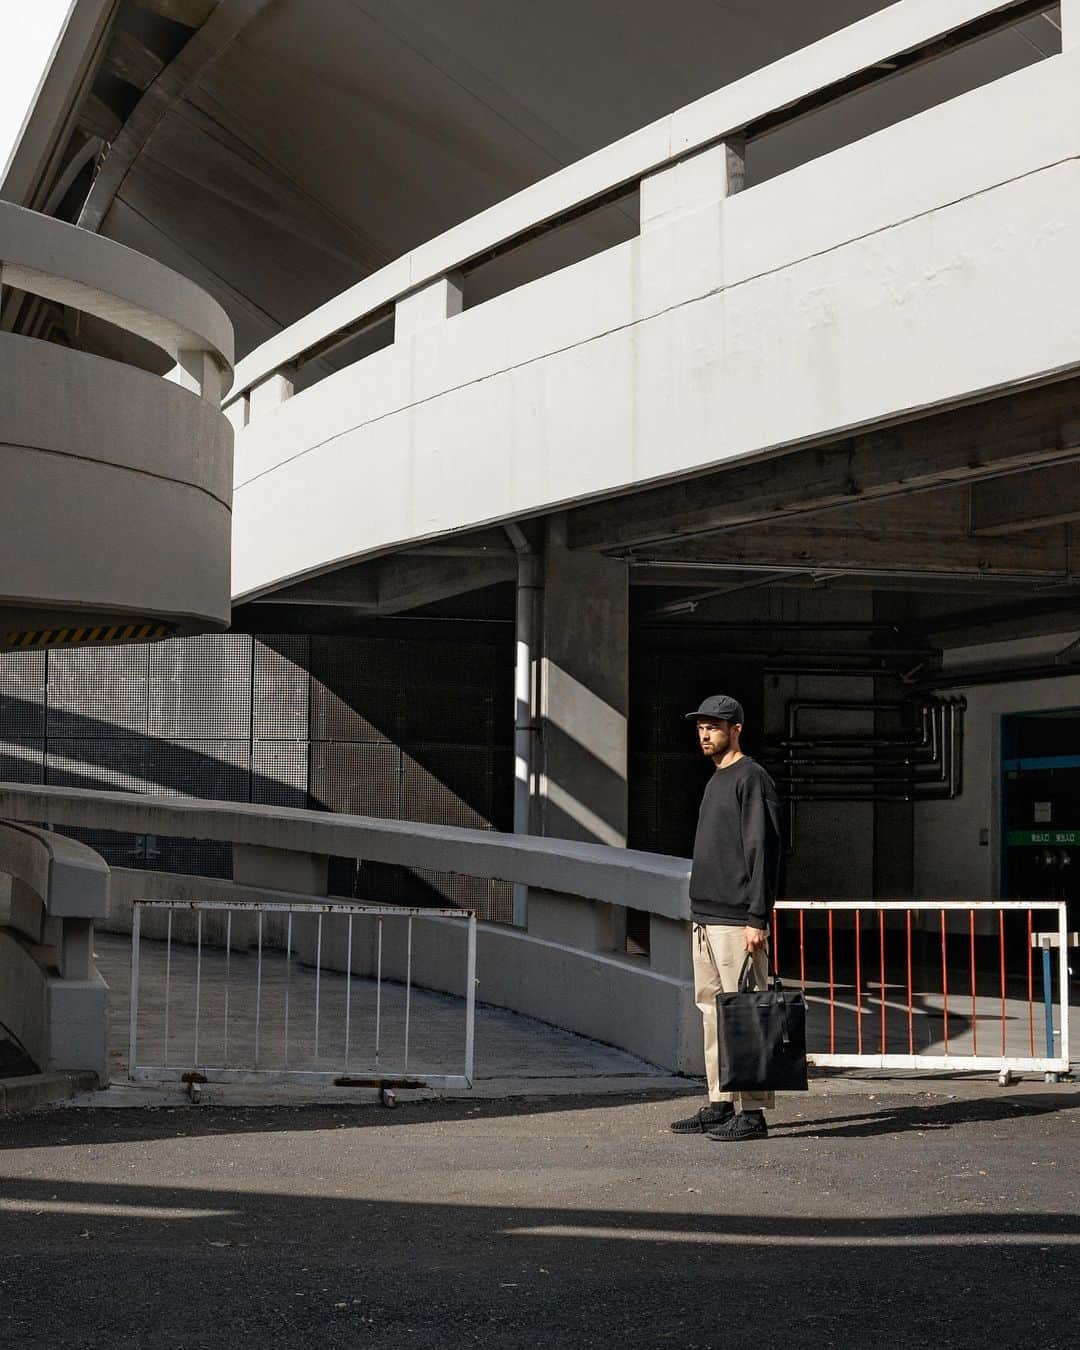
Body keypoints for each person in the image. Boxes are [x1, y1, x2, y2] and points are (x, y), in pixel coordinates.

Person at [670, 694, 782, 1143]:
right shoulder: (717, 779)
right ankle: (720, 1101)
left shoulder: (751, 778)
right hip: (706, 917)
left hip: (738, 920)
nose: (705, 733)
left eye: (714, 726)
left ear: (736, 729)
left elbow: (763, 850)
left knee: (746, 1014)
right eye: (701, 726)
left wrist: (757, 916)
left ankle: (752, 1112)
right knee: (712, 1012)